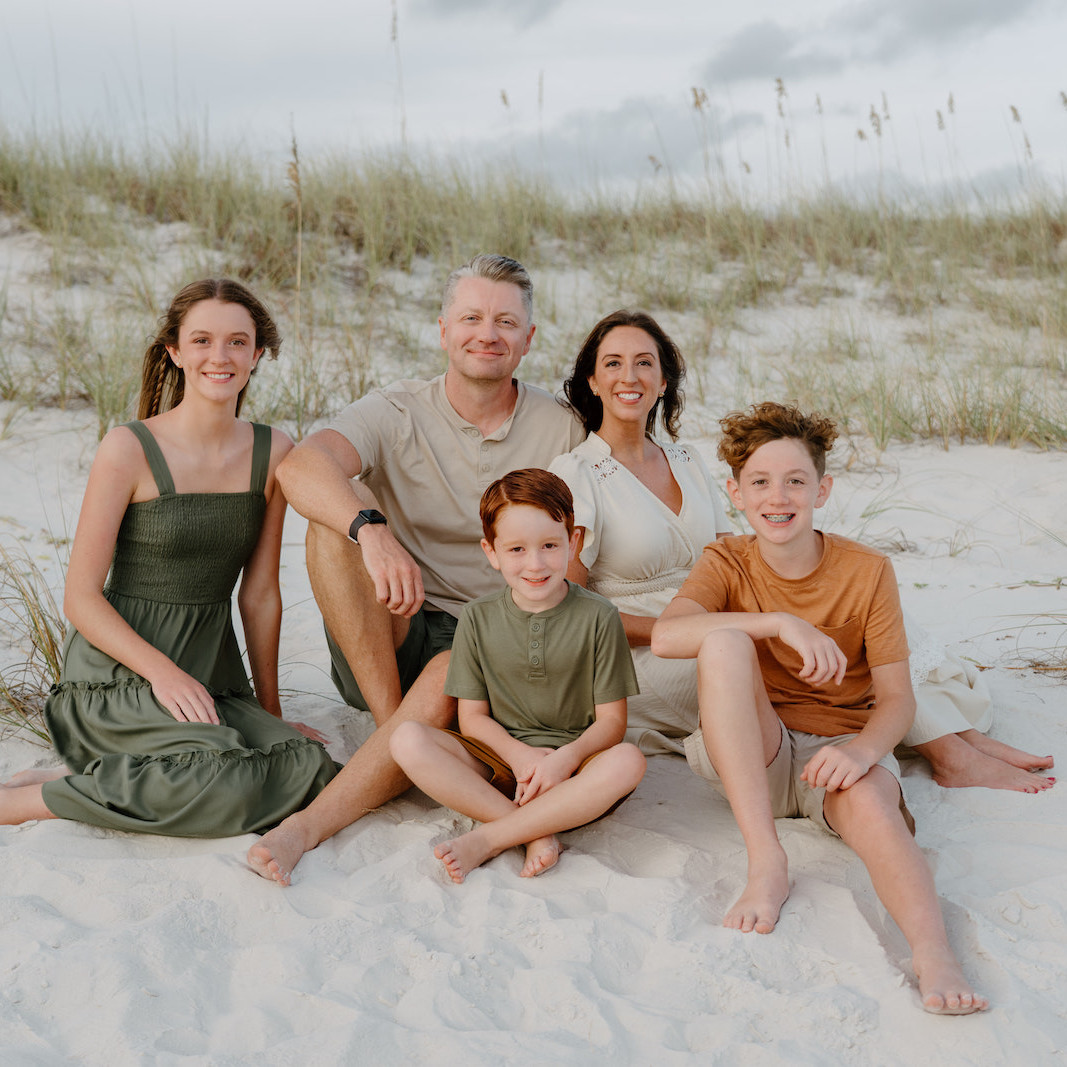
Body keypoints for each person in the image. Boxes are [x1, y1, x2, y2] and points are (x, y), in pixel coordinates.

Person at [551, 309, 1053, 792]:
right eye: (612, 363)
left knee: (851, 624)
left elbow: (731, 546)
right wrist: (687, 628)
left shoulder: (685, 459)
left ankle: (960, 740)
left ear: (664, 381)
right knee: (789, 654)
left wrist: (784, 594)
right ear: (592, 381)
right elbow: (570, 607)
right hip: (645, 649)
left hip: (722, 603)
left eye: (644, 362)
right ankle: (952, 753)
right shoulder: (577, 472)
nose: (629, 375)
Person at [249, 254, 584, 885]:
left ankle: (308, 826)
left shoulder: (559, 428)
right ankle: (393, 737)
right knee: (336, 521)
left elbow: (584, 547)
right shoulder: (396, 410)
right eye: (472, 317)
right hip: (392, 633)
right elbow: (299, 467)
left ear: (528, 339)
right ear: (443, 329)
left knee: (446, 667)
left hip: (502, 643)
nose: (488, 333)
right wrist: (370, 531)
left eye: (506, 321)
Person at [651, 402, 988, 1015]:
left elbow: (896, 700)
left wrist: (860, 751)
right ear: (735, 492)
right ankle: (767, 861)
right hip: (756, 751)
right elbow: (670, 637)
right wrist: (779, 623)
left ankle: (933, 953)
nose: (777, 497)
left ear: (822, 489)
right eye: (759, 482)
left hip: (837, 758)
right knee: (723, 642)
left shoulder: (867, 571)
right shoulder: (726, 560)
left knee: (874, 809)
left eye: (795, 481)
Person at [0, 279, 337, 836]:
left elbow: (259, 596)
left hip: (213, 674)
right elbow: (80, 598)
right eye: (201, 340)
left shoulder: (274, 451)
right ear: (175, 352)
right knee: (221, 778)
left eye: (236, 342)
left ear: (257, 354)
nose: (219, 356)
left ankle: (100, 773)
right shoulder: (128, 448)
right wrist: (162, 675)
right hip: (120, 673)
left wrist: (269, 713)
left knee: (308, 768)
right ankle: (30, 801)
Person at [389, 469, 645, 883]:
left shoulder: (600, 617)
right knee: (406, 739)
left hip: (575, 772)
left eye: (549, 545)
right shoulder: (476, 617)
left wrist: (565, 759)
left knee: (628, 761)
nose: (536, 563)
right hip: (501, 768)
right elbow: (472, 719)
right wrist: (520, 756)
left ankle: (492, 838)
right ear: (491, 552)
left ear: (573, 542)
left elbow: (613, 723)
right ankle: (531, 833)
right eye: (517, 549)